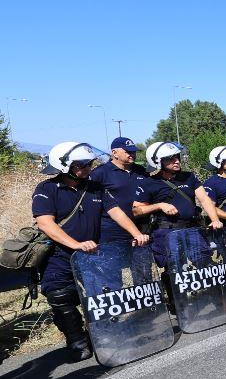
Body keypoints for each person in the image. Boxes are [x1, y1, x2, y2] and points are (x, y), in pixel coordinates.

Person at [32, 142, 107, 361]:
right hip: (60, 255)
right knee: (60, 296)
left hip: (93, 253)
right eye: (80, 164)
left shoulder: (94, 188)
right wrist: (75, 244)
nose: (87, 167)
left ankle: (101, 333)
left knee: (100, 293)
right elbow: (45, 223)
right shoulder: (46, 189)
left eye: (89, 163)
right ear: (64, 165)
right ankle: (77, 339)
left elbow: (111, 215)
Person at [132, 142, 223, 269]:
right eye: (171, 159)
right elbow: (136, 210)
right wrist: (159, 205)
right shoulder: (149, 183)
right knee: (174, 268)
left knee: (206, 263)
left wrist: (215, 220)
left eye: (177, 157)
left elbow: (204, 199)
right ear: (157, 161)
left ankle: (209, 289)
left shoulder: (189, 177)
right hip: (167, 232)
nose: (176, 161)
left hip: (192, 229)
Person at [89, 136, 152, 246]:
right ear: (114, 153)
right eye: (128, 152)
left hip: (142, 229)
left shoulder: (141, 171)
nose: (132, 154)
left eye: (134, 152)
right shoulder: (100, 173)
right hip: (113, 231)